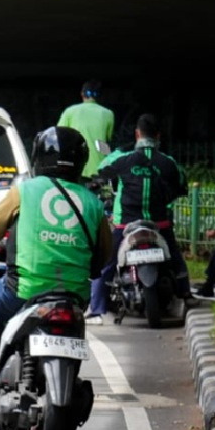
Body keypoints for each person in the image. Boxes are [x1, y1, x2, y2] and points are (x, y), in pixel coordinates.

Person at [0, 126, 113, 428]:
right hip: (74, 297)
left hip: (24, 290)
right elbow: (104, 254)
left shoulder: (25, 191)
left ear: (39, 157)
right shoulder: (93, 203)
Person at [86, 114, 189, 322]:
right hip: (160, 224)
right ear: (158, 136)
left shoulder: (123, 159)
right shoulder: (168, 163)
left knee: (106, 264)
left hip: (126, 223)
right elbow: (181, 187)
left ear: (137, 134)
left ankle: (96, 307)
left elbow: (101, 171)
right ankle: (185, 293)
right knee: (176, 261)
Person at [57, 80, 115, 179]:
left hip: (74, 170)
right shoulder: (108, 114)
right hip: (100, 170)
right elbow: (107, 139)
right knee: (102, 194)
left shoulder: (69, 111)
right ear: (98, 96)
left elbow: (58, 136)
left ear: (82, 94)